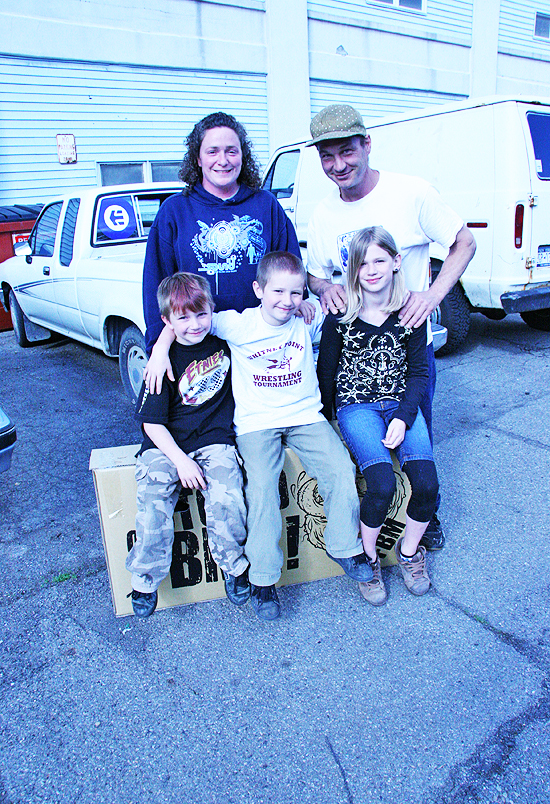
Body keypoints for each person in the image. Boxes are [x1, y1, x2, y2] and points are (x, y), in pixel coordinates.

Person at [150, 251, 374, 620]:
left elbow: (351, 303)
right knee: (262, 489)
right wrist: (160, 349)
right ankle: (264, 580)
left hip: (305, 415)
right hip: (257, 423)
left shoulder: (307, 316)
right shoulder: (238, 324)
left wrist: (321, 297)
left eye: (296, 293)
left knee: (339, 468)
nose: (287, 302)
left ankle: (343, 546)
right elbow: (187, 318)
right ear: (258, 289)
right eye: (278, 292)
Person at [306, 104, 476, 550]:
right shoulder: (324, 213)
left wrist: (433, 295)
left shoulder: (411, 192)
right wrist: (324, 287)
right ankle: (378, 510)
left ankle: (425, 515)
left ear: (366, 144)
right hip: (356, 357)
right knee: (369, 447)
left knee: (417, 434)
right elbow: (314, 271)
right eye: (328, 156)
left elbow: (464, 242)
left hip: (407, 346)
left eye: (347, 151)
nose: (338, 165)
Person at [317, 226, 439, 606]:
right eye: (362, 263)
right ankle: (368, 560)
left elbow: (419, 372)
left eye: (379, 260)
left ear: (396, 262)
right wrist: (324, 421)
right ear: (352, 270)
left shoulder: (411, 313)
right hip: (358, 408)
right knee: (382, 484)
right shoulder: (341, 317)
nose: (371, 269)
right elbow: (326, 371)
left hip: (402, 405)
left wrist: (404, 417)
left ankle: (409, 552)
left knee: (427, 485)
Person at [126, 272, 249, 618]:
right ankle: (145, 578)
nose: (194, 325)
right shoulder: (160, 360)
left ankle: (233, 566)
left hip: (213, 438)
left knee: (228, 495)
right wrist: (180, 461)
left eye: (201, 314)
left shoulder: (225, 341)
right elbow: (151, 422)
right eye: (182, 318)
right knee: (153, 498)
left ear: (212, 309)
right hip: (165, 442)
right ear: (167, 321)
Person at [142, 111, 301, 363]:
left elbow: (292, 272)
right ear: (197, 158)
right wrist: (158, 348)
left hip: (260, 346)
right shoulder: (174, 211)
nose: (223, 160)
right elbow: (156, 285)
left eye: (231, 151)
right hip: (196, 347)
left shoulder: (266, 206)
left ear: (242, 155)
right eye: (212, 151)